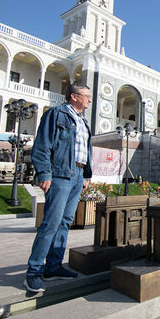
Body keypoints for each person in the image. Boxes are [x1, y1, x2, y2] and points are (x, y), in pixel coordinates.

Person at [24, 83, 93, 293]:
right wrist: (44, 173)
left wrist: (85, 175)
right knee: (51, 223)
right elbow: (43, 145)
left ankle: (53, 266)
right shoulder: (56, 114)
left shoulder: (83, 121)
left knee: (65, 222)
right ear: (74, 96)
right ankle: (34, 272)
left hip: (77, 175)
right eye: (86, 96)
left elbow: (84, 149)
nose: (90, 100)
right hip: (60, 174)